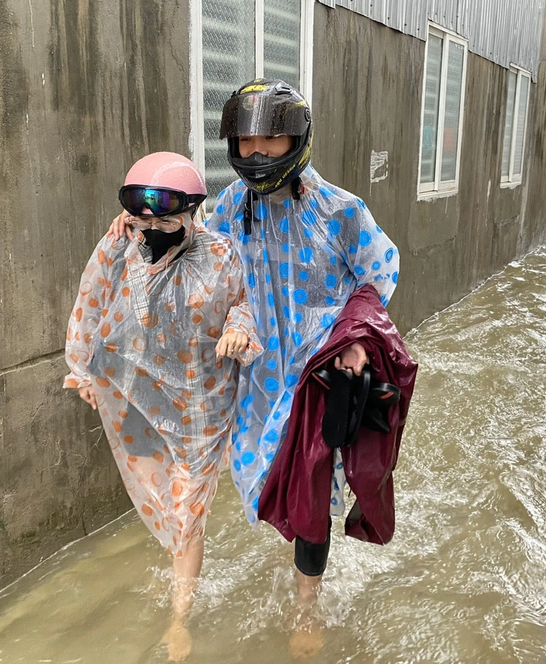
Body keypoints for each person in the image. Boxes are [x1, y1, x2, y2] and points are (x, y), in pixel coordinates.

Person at [107, 79, 404, 657]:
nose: (259, 151)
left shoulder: (341, 212)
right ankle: (216, 597)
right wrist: (137, 224)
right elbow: (185, 246)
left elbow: (379, 277)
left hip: (317, 374)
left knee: (313, 489)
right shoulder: (225, 210)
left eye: (272, 138)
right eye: (247, 141)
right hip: (252, 378)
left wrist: (357, 339)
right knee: (264, 485)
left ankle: (305, 605)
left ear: (296, 140)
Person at [65, 152, 262, 661]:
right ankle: (183, 573)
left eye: (166, 216)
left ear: (193, 209)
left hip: (203, 403)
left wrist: (240, 329)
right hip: (143, 395)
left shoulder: (220, 254)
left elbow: (243, 302)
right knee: (165, 506)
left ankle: (179, 622)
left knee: (186, 513)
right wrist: (83, 369)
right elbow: (91, 302)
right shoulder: (121, 245)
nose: (152, 226)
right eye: (141, 215)